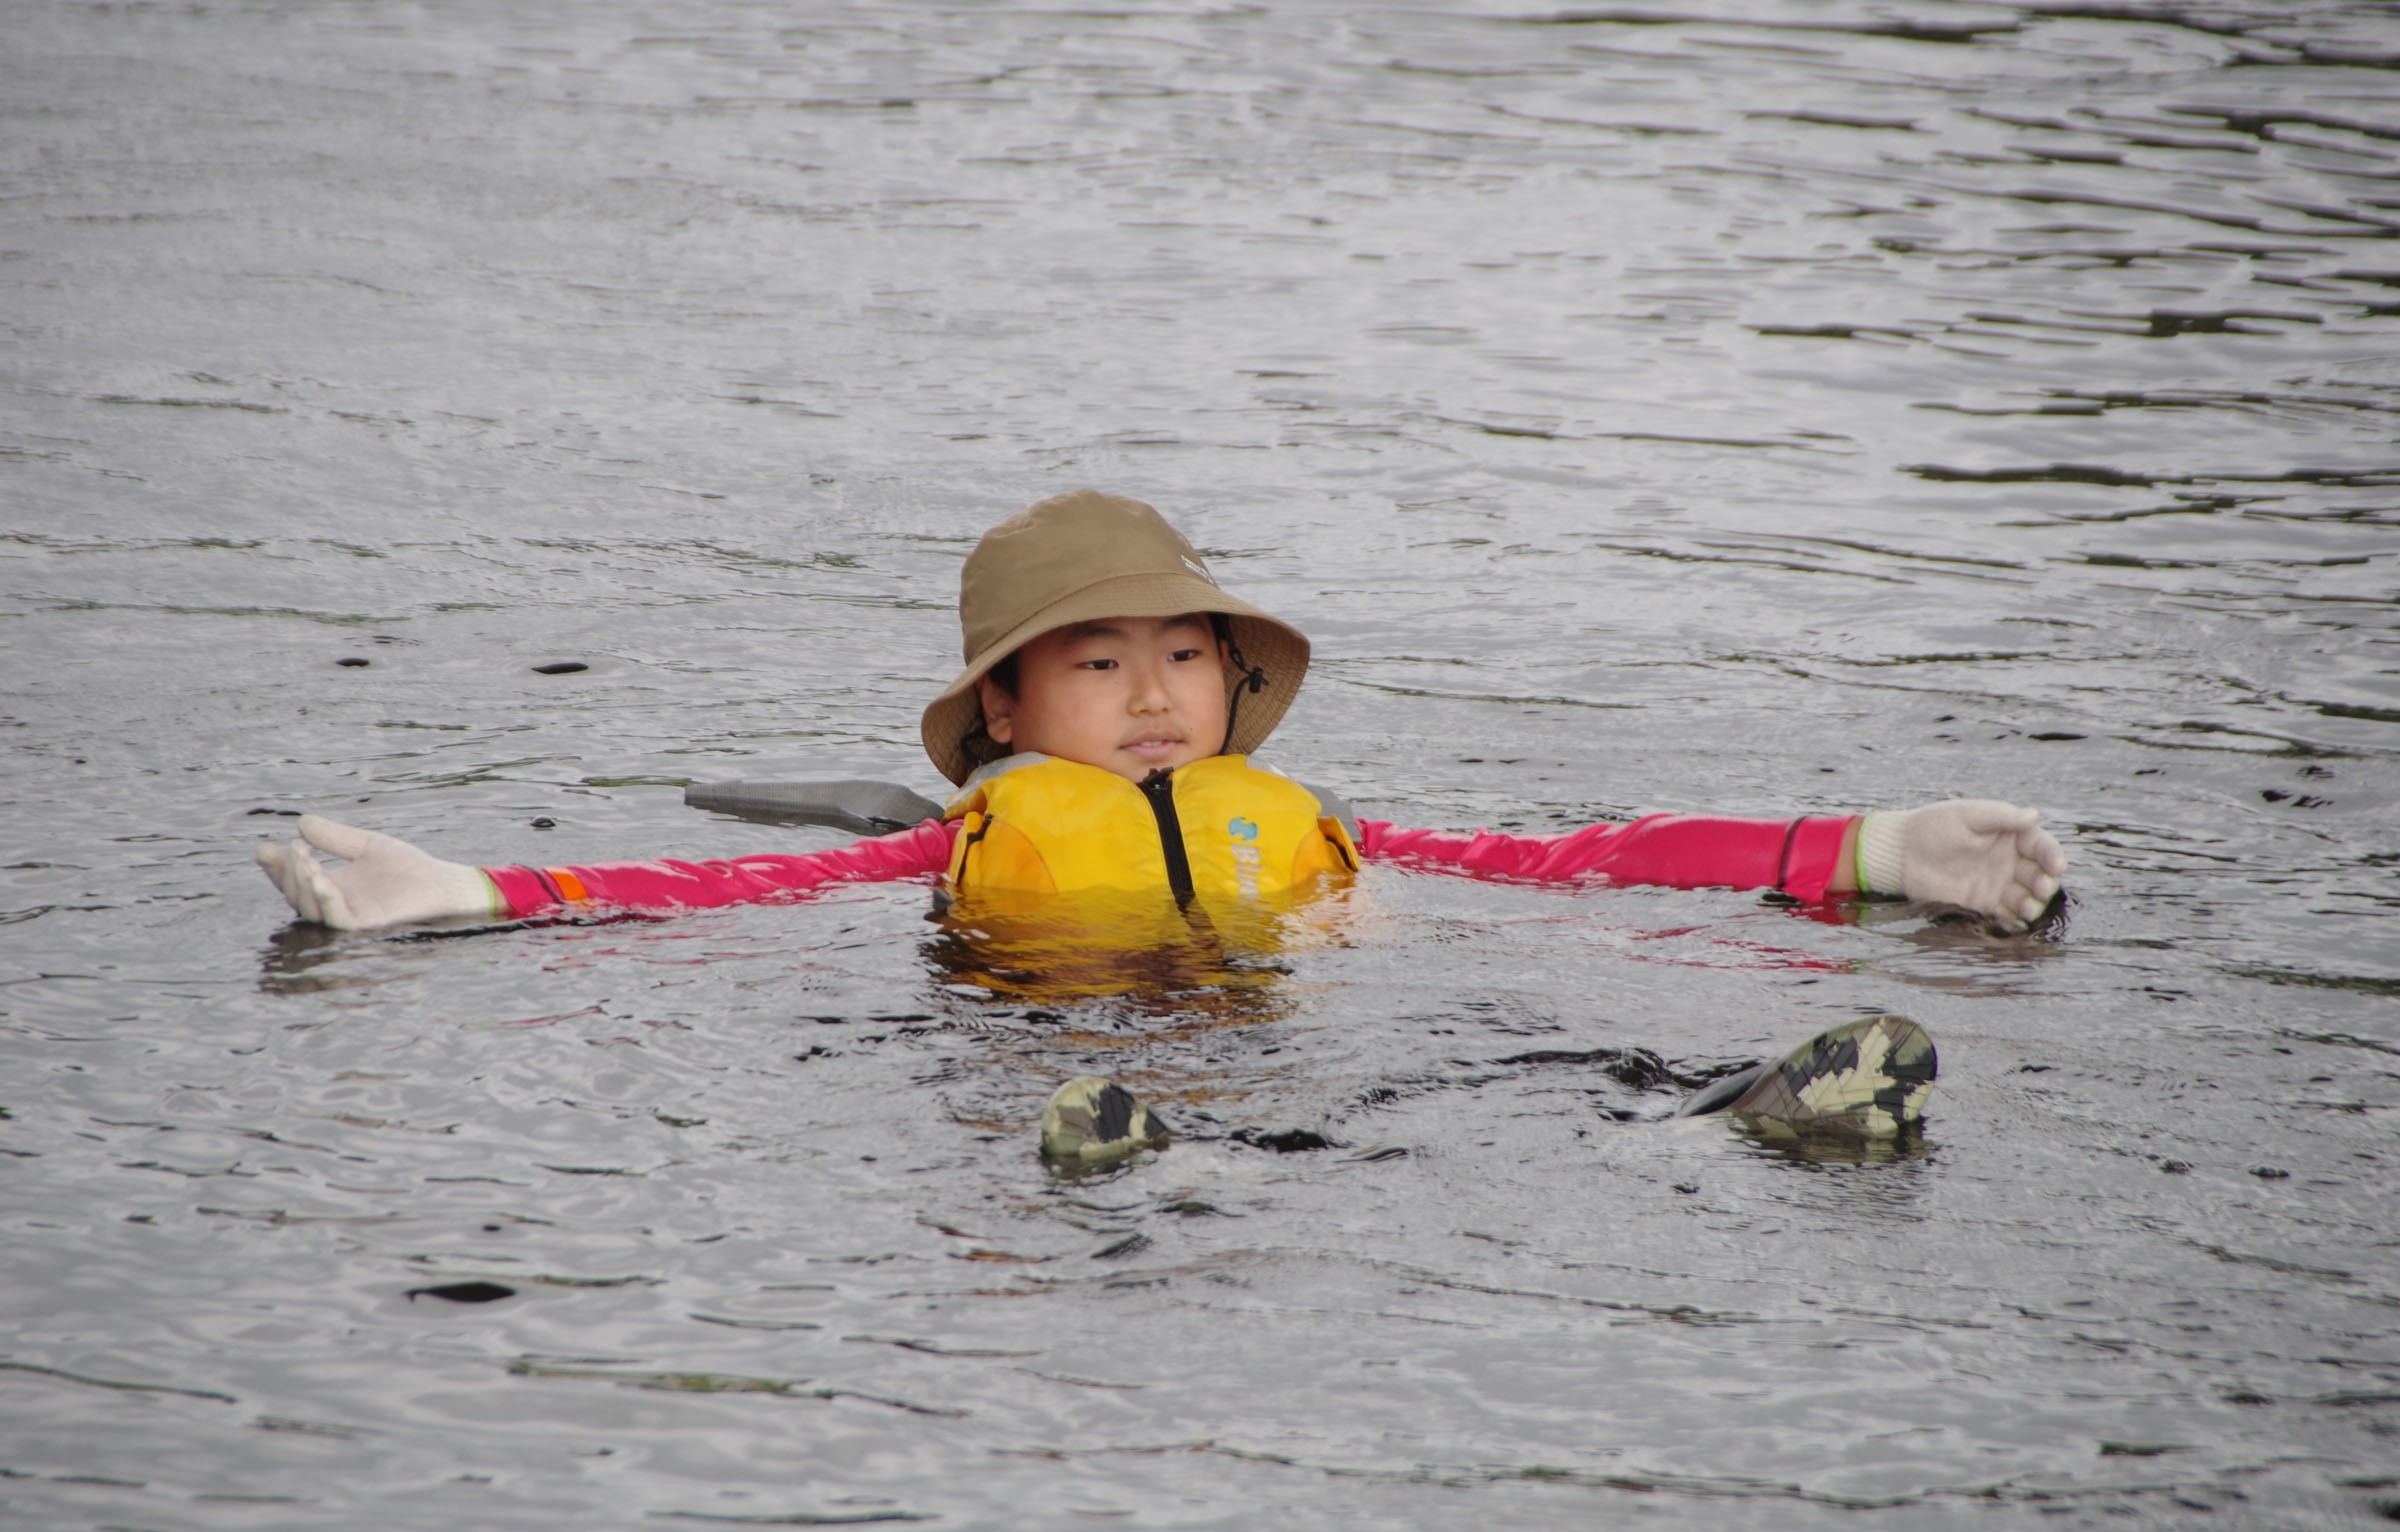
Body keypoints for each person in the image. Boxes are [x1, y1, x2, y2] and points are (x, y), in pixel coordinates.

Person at [257, 490, 2064, 1157]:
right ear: (1005, 721)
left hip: (1322, 1060)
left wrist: (1872, 851)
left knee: (1535, 1067)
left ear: (1232, 684)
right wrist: (470, 893)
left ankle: (1740, 1110)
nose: (1149, 697)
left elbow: (1580, 859)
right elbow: (728, 883)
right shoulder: (955, 845)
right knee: (1122, 1121)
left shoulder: (1312, 829)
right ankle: (1111, 1161)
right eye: (1095, 662)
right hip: (1040, 1050)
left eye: (1185, 655)